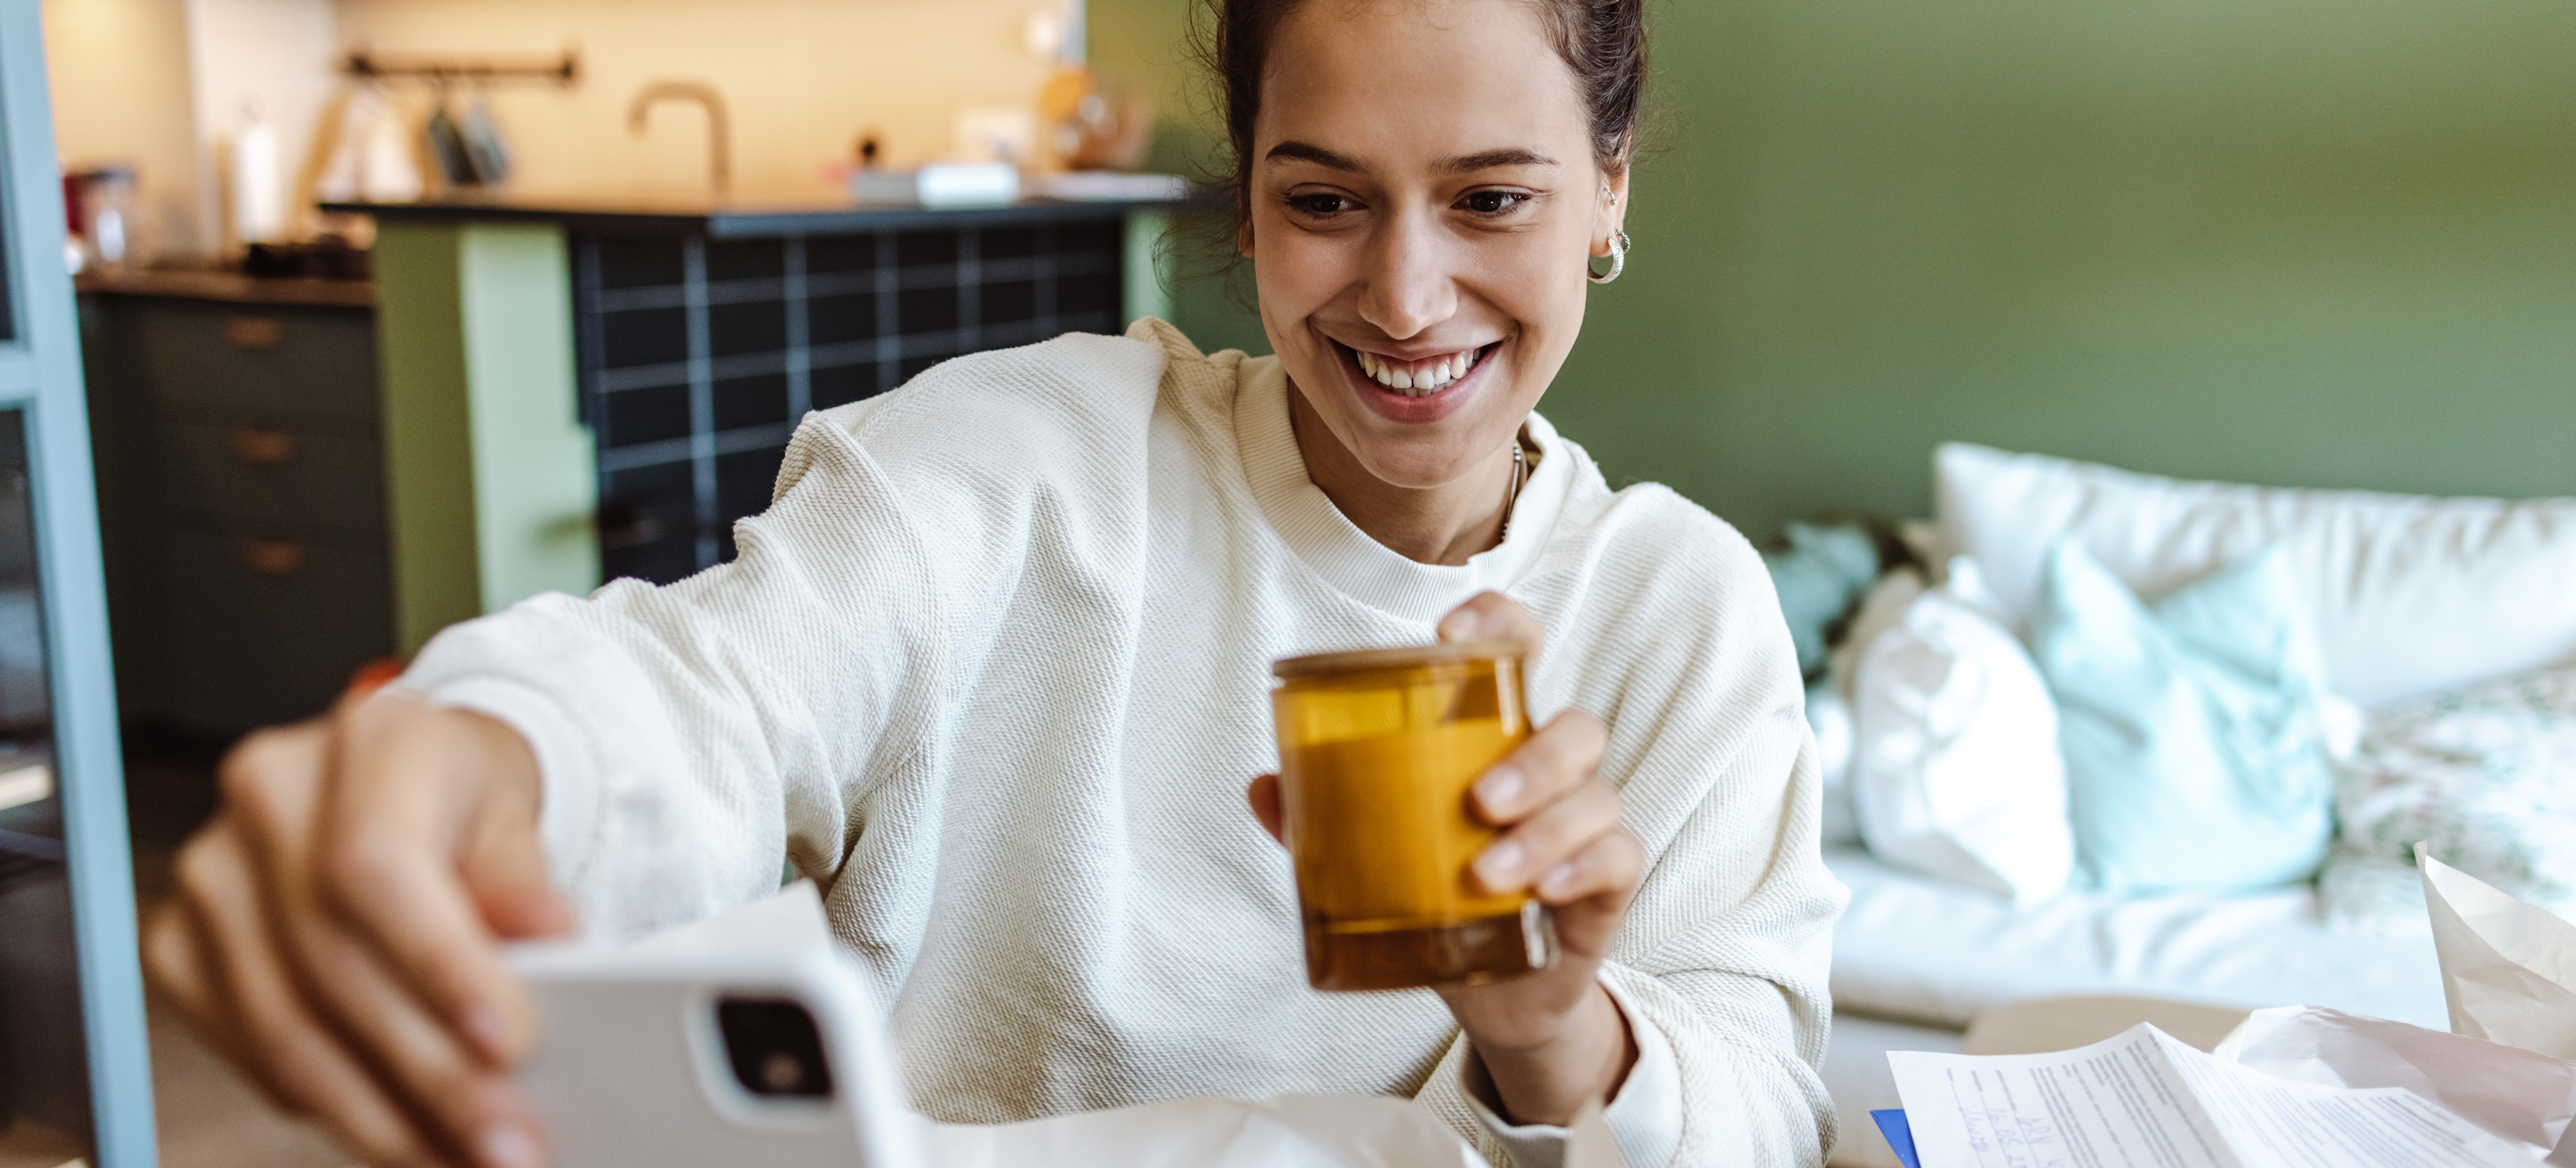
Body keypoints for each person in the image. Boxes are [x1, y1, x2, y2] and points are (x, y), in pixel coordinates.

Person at [145, 0, 1845, 1164]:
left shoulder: (1677, 613)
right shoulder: (1024, 464)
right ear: (1244, 207)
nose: (1406, 296)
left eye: (1491, 198)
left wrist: (1559, 1027)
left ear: (1607, 190)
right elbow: (705, 694)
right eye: (1325, 198)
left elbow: (1768, 1116)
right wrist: (489, 755)